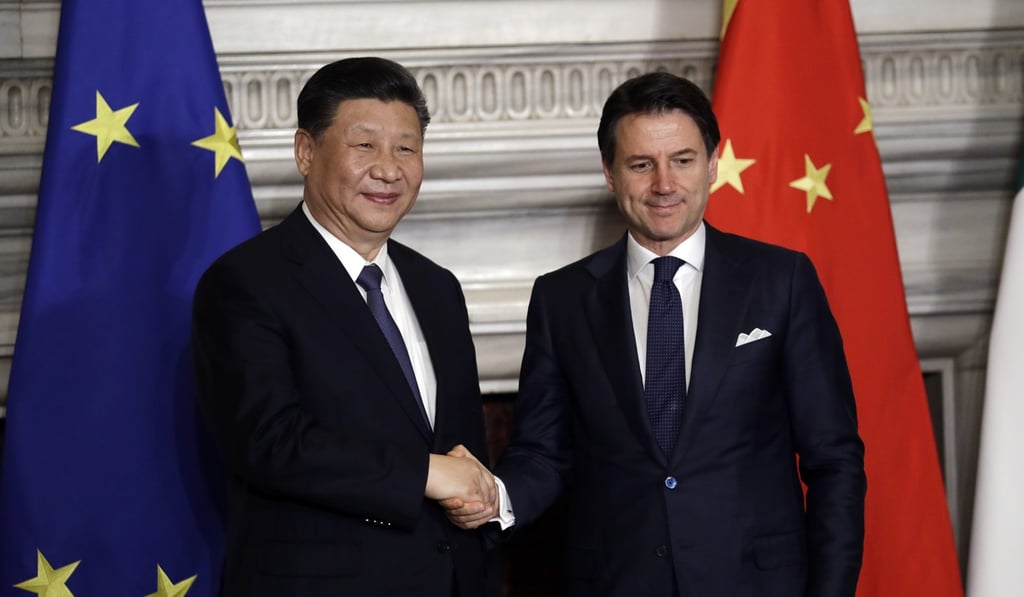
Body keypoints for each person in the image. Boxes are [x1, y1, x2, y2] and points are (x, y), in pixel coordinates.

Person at [445, 71, 867, 596]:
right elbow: (543, 452)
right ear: (610, 173)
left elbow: (835, 459)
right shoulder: (562, 299)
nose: (664, 184)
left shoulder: (782, 281)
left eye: (682, 161)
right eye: (641, 164)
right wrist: (494, 497)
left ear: (713, 164)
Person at [191, 56, 500, 597]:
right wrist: (422, 474)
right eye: (364, 146)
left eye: (406, 148)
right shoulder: (244, 282)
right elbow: (268, 441)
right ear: (305, 152)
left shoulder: (437, 288)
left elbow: (463, 452)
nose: (389, 168)